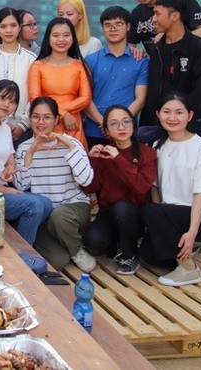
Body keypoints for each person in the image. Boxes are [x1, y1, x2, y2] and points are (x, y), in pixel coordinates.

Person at [140, 93, 201, 286]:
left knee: (150, 211)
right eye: (166, 112)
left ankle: (189, 268)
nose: (172, 118)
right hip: (170, 215)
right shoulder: (158, 146)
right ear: (158, 114)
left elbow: (200, 194)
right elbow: (155, 189)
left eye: (179, 112)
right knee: (147, 254)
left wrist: (192, 232)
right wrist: (157, 224)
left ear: (190, 115)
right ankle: (184, 250)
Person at [14, 97, 96, 272]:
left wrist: (69, 146)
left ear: (57, 119)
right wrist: (30, 153)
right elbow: (21, 186)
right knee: (57, 262)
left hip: (73, 207)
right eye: (36, 117)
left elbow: (86, 180)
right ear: (29, 119)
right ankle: (68, 244)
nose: (41, 122)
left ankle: (76, 251)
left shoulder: (72, 143)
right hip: (46, 214)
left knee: (60, 216)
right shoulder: (24, 148)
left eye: (47, 117)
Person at [0, 81, 52, 244]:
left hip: (3, 188)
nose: (7, 104)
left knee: (46, 203)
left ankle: (13, 241)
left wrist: (8, 171)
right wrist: (3, 189)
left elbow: (10, 160)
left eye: (12, 101)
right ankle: (24, 255)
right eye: (3, 98)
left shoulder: (4, 128)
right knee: (34, 205)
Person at [82, 106, 157, 275]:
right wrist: (92, 161)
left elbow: (141, 186)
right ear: (106, 129)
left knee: (122, 208)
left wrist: (118, 158)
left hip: (135, 215)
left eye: (126, 122)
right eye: (114, 124)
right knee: (93, 243)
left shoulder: (147, 153)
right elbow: (89, 189)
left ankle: (130, 256)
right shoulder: (104, 152)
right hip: (109, 214)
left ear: (133, 124)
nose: (121, 127)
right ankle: (118, 246)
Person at [139, 0, 201, 138]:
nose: (153, 19)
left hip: (192, 129)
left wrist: (178, 118)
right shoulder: (156, 49)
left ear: (175, 16)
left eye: (157, 14)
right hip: (159, 129)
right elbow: (154, 90)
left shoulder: (200, 48)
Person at [83, 6, 149, 148]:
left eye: (118, 24)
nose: (113, 29)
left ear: (128, 26)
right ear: (102, 28)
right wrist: (105, 123)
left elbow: (141, 99)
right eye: (108, 25)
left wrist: (120, 123)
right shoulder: (90, 60)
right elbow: (85, 98)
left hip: (127, 132)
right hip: (95, 130)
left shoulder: (141, 61)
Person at [28, 17, 92, 149]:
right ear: (48, 38)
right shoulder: (37, 66)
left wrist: (66, 114)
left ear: (73, 38)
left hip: (73, 125)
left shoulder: (79, 66)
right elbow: (35, 98)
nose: (61, 40)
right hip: (45, 124)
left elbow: (86, 98)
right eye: (56, 35)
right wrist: (62, 113)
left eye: (66, 35)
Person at [0, 7, 37, 141]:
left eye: (13, 25)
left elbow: (35, 94)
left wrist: (23, 125)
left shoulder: (32, 59)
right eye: (4, 26)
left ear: (19, 28)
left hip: (23, 130)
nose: (8, 30)